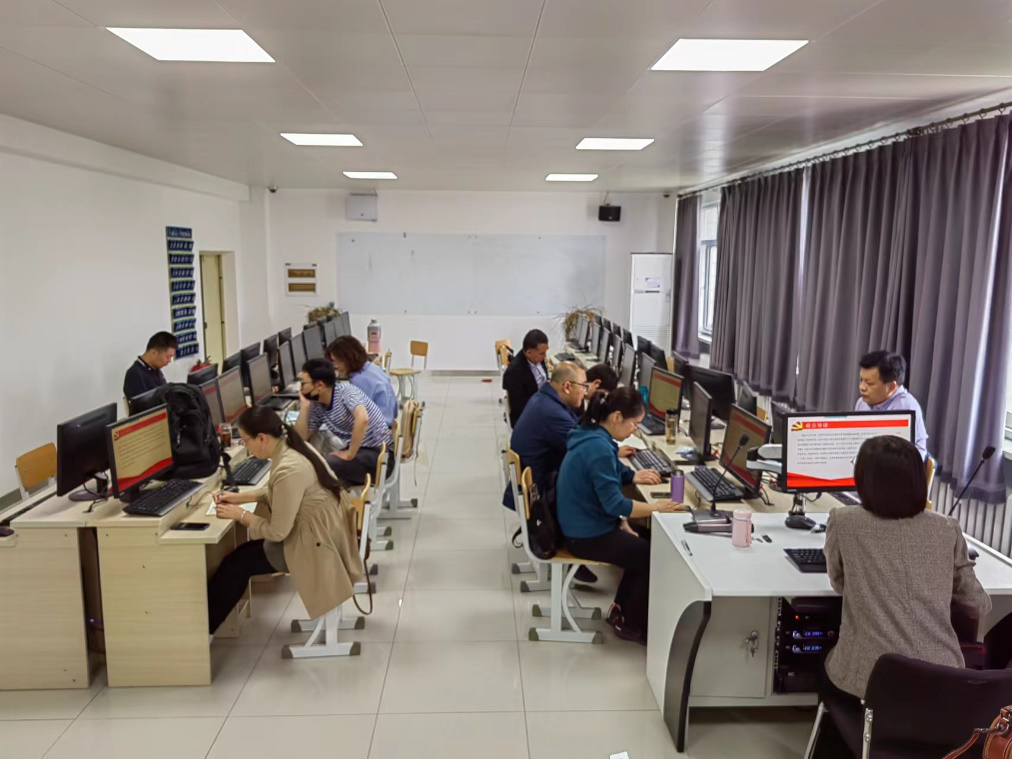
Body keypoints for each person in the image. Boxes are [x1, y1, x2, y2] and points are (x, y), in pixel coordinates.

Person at [821, 435, 990, 707]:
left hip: (870, 680)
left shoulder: (844, 522)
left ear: (864, 480)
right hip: (942, 680)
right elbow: (979, 605)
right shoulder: (946, 528)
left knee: (826, 662)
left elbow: (839, 583)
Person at [207, 406, 363, 634]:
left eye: (245, 441)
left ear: (262, 439)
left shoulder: (289, 468)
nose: (245, 447)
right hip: (327, 531)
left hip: (317, 545)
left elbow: (277, 532)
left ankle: (204, 631)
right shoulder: (294, 447)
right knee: (241, 557)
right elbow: (282, 492)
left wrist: (241, 515)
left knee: (237, 564)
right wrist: (241, 498)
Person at [556, 387, 686, 644]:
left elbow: (611, 473)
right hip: (584, 534)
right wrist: (656, 507)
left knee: (648, 539)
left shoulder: (593, 435)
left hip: (583, 523)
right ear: (616, 417)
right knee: (650, 554)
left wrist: (631, 480)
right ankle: (630, 623)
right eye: (634, 424)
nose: (634, 430)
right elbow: (615, 504)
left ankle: (621, 609)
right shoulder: (599, 448)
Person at [294, 358, 393, 485]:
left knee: (325, 466)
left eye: (303, 383)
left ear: (319, 385)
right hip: (362, 451)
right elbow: (301, 437)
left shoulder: (346, 392)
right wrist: (304, 407)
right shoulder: (317, 405)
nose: (300, 389)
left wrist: (350, 454)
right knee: (317, 462)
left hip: (380, 456)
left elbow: (363, 419)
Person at [856, 350, 929, 458]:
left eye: (869, 383)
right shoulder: (862, 402)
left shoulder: (906, 407)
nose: (862, 387)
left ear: (891, 386)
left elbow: (911, 456)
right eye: (861, 380)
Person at [326, 335, 398, 426]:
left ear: (347, 358)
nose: (335, 366)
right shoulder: (370, 367)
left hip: (376, 428)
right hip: (388, 421)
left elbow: (359, 416)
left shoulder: (359, 380)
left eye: (336, 361)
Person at [503, 329, 550, 426]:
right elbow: (519, 406)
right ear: (529, 352)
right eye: (542, 353)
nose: (545, 356)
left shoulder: (536, 358)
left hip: (543, 401)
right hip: (528, 416)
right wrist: (546, 402)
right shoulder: (515, 372)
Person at [123, 331, 176, 399]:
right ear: (154, 353)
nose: (169, 361)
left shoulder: (155, 369)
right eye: (168, 357)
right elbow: (142, 404)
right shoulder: (135, 374)